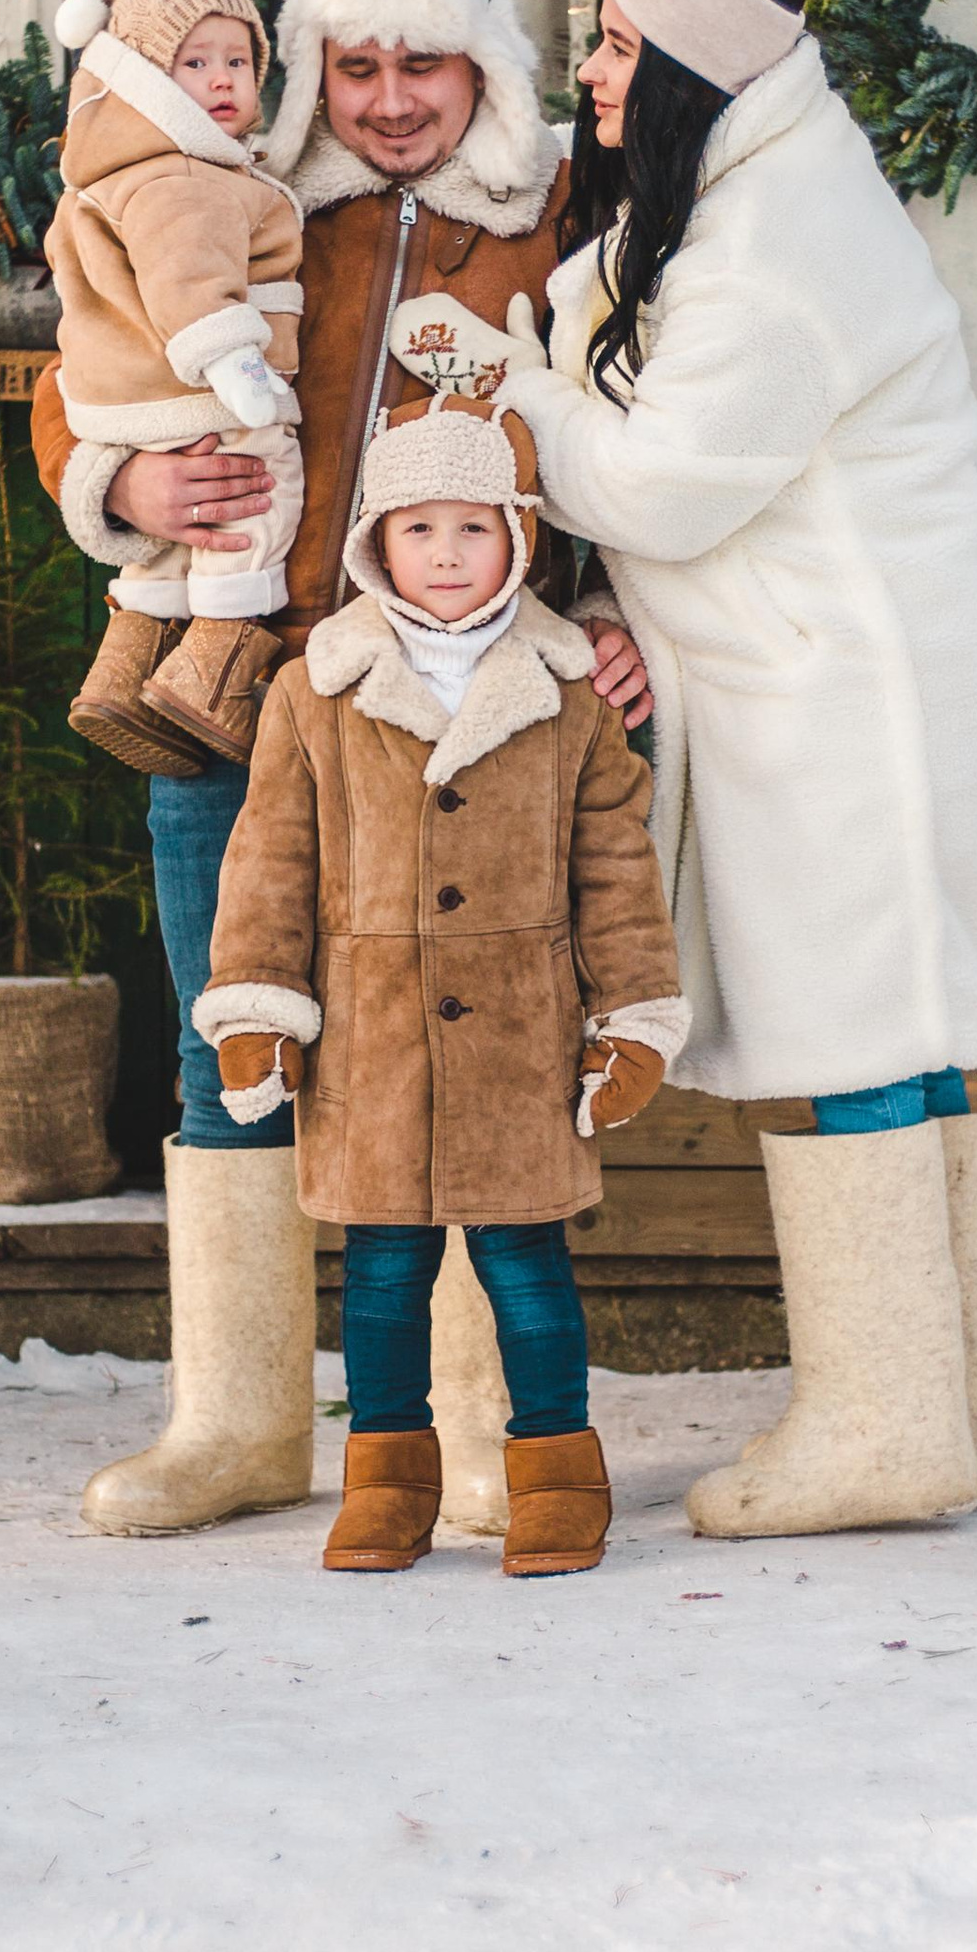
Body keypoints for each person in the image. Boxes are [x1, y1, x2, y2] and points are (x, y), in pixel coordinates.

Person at [28, 0, 649, 1540]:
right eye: (355, 64)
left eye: (421, 66)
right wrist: (123, 473)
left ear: (480, 74)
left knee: (478, 1043)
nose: (386, 100)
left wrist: (610, 612)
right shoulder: (228, 195)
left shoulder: (550, 228)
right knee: (219, 1040)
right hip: (238, 688)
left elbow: (632, 439)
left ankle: (456, 1433)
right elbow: (80, 366)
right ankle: (234, 1423)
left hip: (472, 711)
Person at [470, 0, 977, 1541]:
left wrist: (518, 394)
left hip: (849, 693)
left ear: (686, 69)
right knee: (908, 1023)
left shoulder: (775, 250)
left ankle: (883, 1430)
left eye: (610, 45)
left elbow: (651, 480)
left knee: (855, 1019)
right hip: (872, 667)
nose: (587, 69)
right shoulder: (752, 192)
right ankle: (967, 1410)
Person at [196, 397, 686, 1575]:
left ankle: (558, 1475)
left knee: (527, 1275)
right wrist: (259, 1004)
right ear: (378, 543)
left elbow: (617, 867)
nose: (449, 553)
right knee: (379, 1281)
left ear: (517, 540)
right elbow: (269, 858)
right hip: (374, 1048)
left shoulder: (566, 698)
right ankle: (385, 1481)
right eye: (421, 529)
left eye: (474, 527)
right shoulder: (315, 691)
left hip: (523, 1040)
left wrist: (630, 1022)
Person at [45, 0, 306, 769]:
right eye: (196, 64)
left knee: (173, 553)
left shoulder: (137, 171)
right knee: (260, 494)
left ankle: (125, 667)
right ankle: (212, 672)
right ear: (149, 79)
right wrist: (117, 483)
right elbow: (191, 286)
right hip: (212, 395)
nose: (223, 79)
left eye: (238, 62)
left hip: (139, 405)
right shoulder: (188, 177)